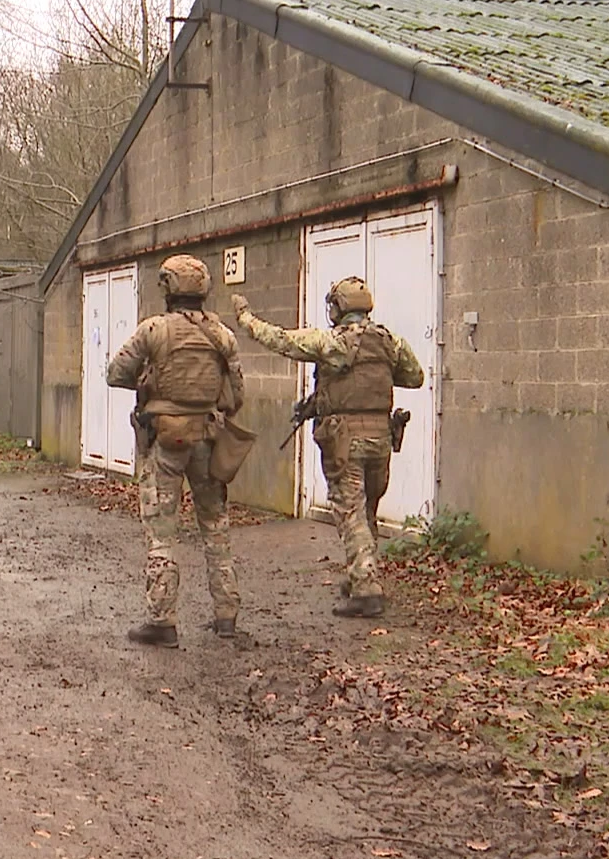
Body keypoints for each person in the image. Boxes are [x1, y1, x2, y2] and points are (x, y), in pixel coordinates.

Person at [232, 278, 424, 619]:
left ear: (338, 307)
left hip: (346, 440)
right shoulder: (389, 341)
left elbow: (283, 341)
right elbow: (414, 377)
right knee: (366, 511)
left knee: (350, 512)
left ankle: (366, 590)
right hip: (381, 437)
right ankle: (360, 574)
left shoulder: (331, 342)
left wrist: (247, 320)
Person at [106, 254, 247, 647]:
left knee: (161, 531)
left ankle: (162, 620)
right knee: (216, 528)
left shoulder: (154, 330)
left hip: (165, 441)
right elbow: (237, 395)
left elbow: (116, 373)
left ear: (168, 288)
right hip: (208, 440)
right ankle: (226, 617)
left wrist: (150, 379)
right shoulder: (223, 335)